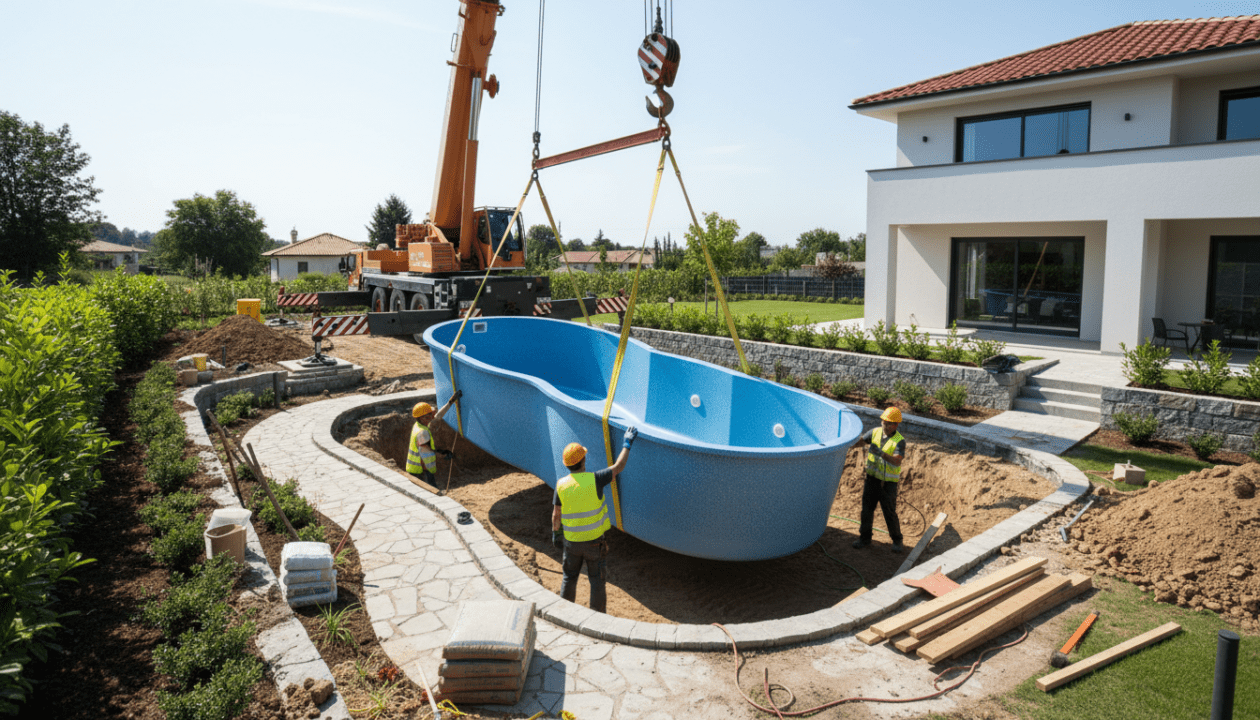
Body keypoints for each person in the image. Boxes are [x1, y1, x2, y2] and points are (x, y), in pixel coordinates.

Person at [551, 426, 637, 613]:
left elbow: (556, 515)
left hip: (571, 543)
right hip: (593, 544)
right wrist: (627, 443)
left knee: (569, 578)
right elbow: (619, 467)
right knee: (597, 581)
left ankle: (564, 614)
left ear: (567, 465)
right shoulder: (595, 479)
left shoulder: (561, 485)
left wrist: (556, 534)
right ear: (583, 460)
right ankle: (597, 618)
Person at [853, 407, 906, 553]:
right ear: (882, 421)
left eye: (891, 424)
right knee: (866, 510)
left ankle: (897, 540)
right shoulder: (874, 432)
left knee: (889, 512)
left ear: (896, 425)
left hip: (888, 484)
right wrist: (847, 446)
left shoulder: (899, 441)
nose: (887, 426)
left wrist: (881, 453)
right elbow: (861, 442)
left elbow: (897, 461)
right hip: (871, 480)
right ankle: (864, 538)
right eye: (885, 422)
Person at [406, 391, 462, 486]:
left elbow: (438, 417)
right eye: (430, 413)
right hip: (420, 470)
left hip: (417, 468)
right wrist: (444, 454)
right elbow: (427, 453)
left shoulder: (419, 424)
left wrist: (450, 402)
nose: (433, 414)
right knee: (430, 491)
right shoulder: (422, 433)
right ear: (423, 418)